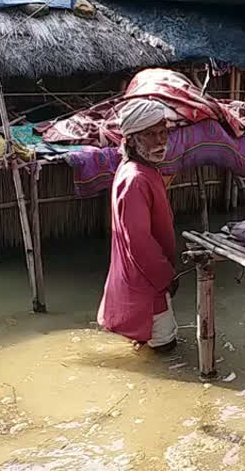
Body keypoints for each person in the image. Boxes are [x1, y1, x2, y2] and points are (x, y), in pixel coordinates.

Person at [97, 98, 179, 353]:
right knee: (166, 349)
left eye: (162, 133)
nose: (160, 141)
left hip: (141, 277)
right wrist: (165, 275)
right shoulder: (136, 179)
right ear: (131, 140)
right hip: (148, 280)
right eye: (150, 135)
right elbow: (139, 242)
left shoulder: (140, 170)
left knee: (146, 343)